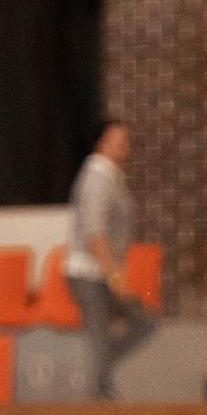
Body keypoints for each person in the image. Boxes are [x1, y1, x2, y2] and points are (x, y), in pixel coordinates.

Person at [66, 120, 156, 400]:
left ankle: (100, 382)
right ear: (101, 142)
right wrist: (116, 278)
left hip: (101, 274)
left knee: (140, 322)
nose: (123, 144)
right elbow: (95, 236)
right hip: (90, 274)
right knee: (101, 337)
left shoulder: (112, 178)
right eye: (116, 139)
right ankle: (97, 396)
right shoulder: (97, 178)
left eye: (125, 139)